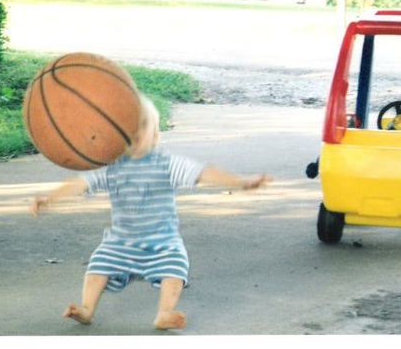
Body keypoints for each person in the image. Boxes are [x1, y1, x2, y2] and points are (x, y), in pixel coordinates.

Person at [31, 94, 270, 330]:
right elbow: (80, 184)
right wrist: (50, 198)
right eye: (126, 127)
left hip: (162, 242)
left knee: (175, 269)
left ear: (155, 135)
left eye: (142, 126)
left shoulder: (167, 164)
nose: (134, 132)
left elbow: (204, 173)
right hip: (121, 243)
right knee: (98, 267)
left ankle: (165, 313)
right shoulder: (111, 168)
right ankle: (86, 309)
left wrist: (241, 182)